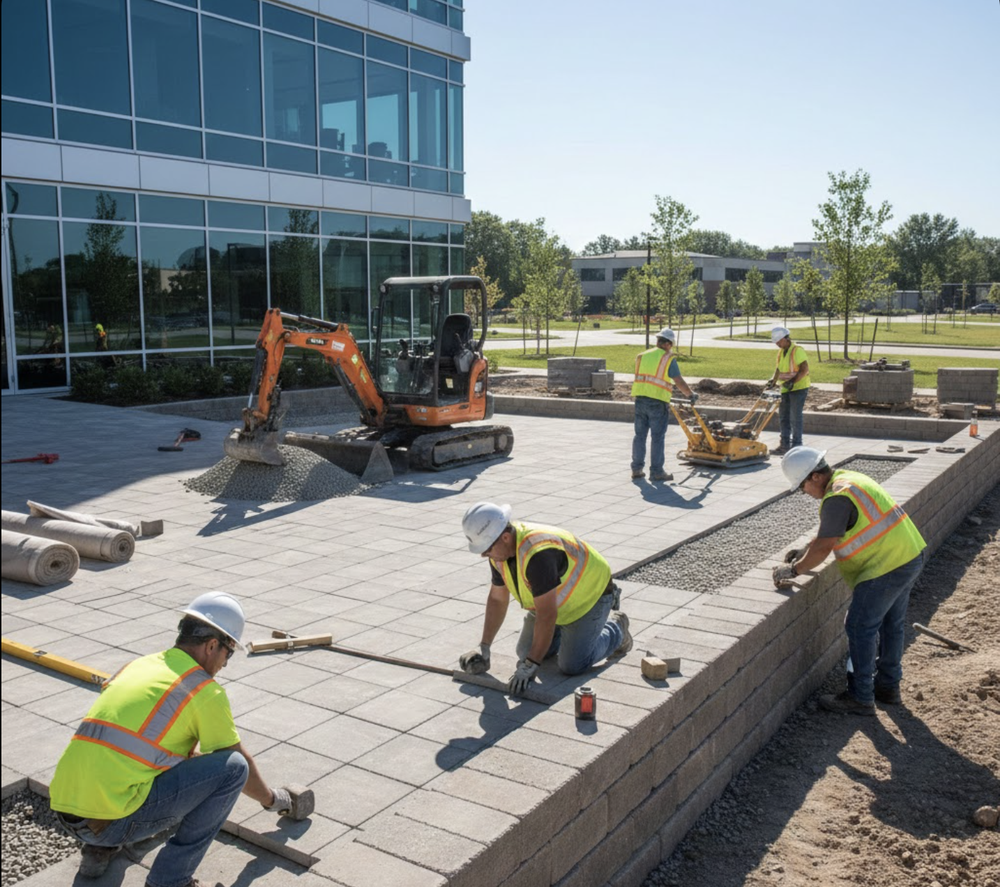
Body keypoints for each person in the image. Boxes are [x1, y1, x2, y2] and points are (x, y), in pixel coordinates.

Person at [49, 592, 310, 884]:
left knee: (155, 763)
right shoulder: (202, 690)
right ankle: (170, 880)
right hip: (109, 821)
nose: (225, 663)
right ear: (213, 645)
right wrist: (275, 800)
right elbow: (237, 763)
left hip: (64, 808)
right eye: (229, 653)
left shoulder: (141, 665)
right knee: (233, 769)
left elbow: (130, 746)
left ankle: (98, 852)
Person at [773, 447, 926, 715]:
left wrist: (795, 570)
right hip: (908, 555)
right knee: (892, 624)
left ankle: (860, 696)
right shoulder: (849, 479)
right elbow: (833, 533)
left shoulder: (837, 498)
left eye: (802, 487)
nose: (804, 493)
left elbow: (824, 548)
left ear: (815, 478)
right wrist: (805, 549)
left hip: (885, 566)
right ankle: (888, 687)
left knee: (859, 626)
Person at [458, 502, 632, 695]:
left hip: (590, 597)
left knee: (572, 665)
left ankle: (617, 628)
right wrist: (485, 646)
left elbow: (547, 615)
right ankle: (563, 635)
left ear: (505, 537)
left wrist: (531, 665)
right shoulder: (499, 551)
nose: (483, 554)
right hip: (555, 602)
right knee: (525, 652)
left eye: (486, 549)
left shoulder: (538, 555)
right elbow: (498, 599)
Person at [631, 327, 696, 481]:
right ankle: (657, 471)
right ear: (667, 344)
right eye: (671, 345)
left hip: (640, 400)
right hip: (657, 402)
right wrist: (690, 394)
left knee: (639, 436)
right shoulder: (667, 358)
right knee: (657, 437)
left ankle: (636, 469)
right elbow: (678, 380)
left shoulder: (641, 356)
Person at [767, 326, 810, 456]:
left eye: (779, 341)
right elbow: (779, 369)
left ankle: (797, 446)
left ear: (786, 338)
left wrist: (792, 382)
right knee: (783, 417)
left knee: (795, 417)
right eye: (776, 342)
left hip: (799, 388)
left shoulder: (797, 350)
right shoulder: (781, 352)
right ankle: (784, 445)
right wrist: (773, 381)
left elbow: (804, 369)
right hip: (785, 388)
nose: (777, 344)